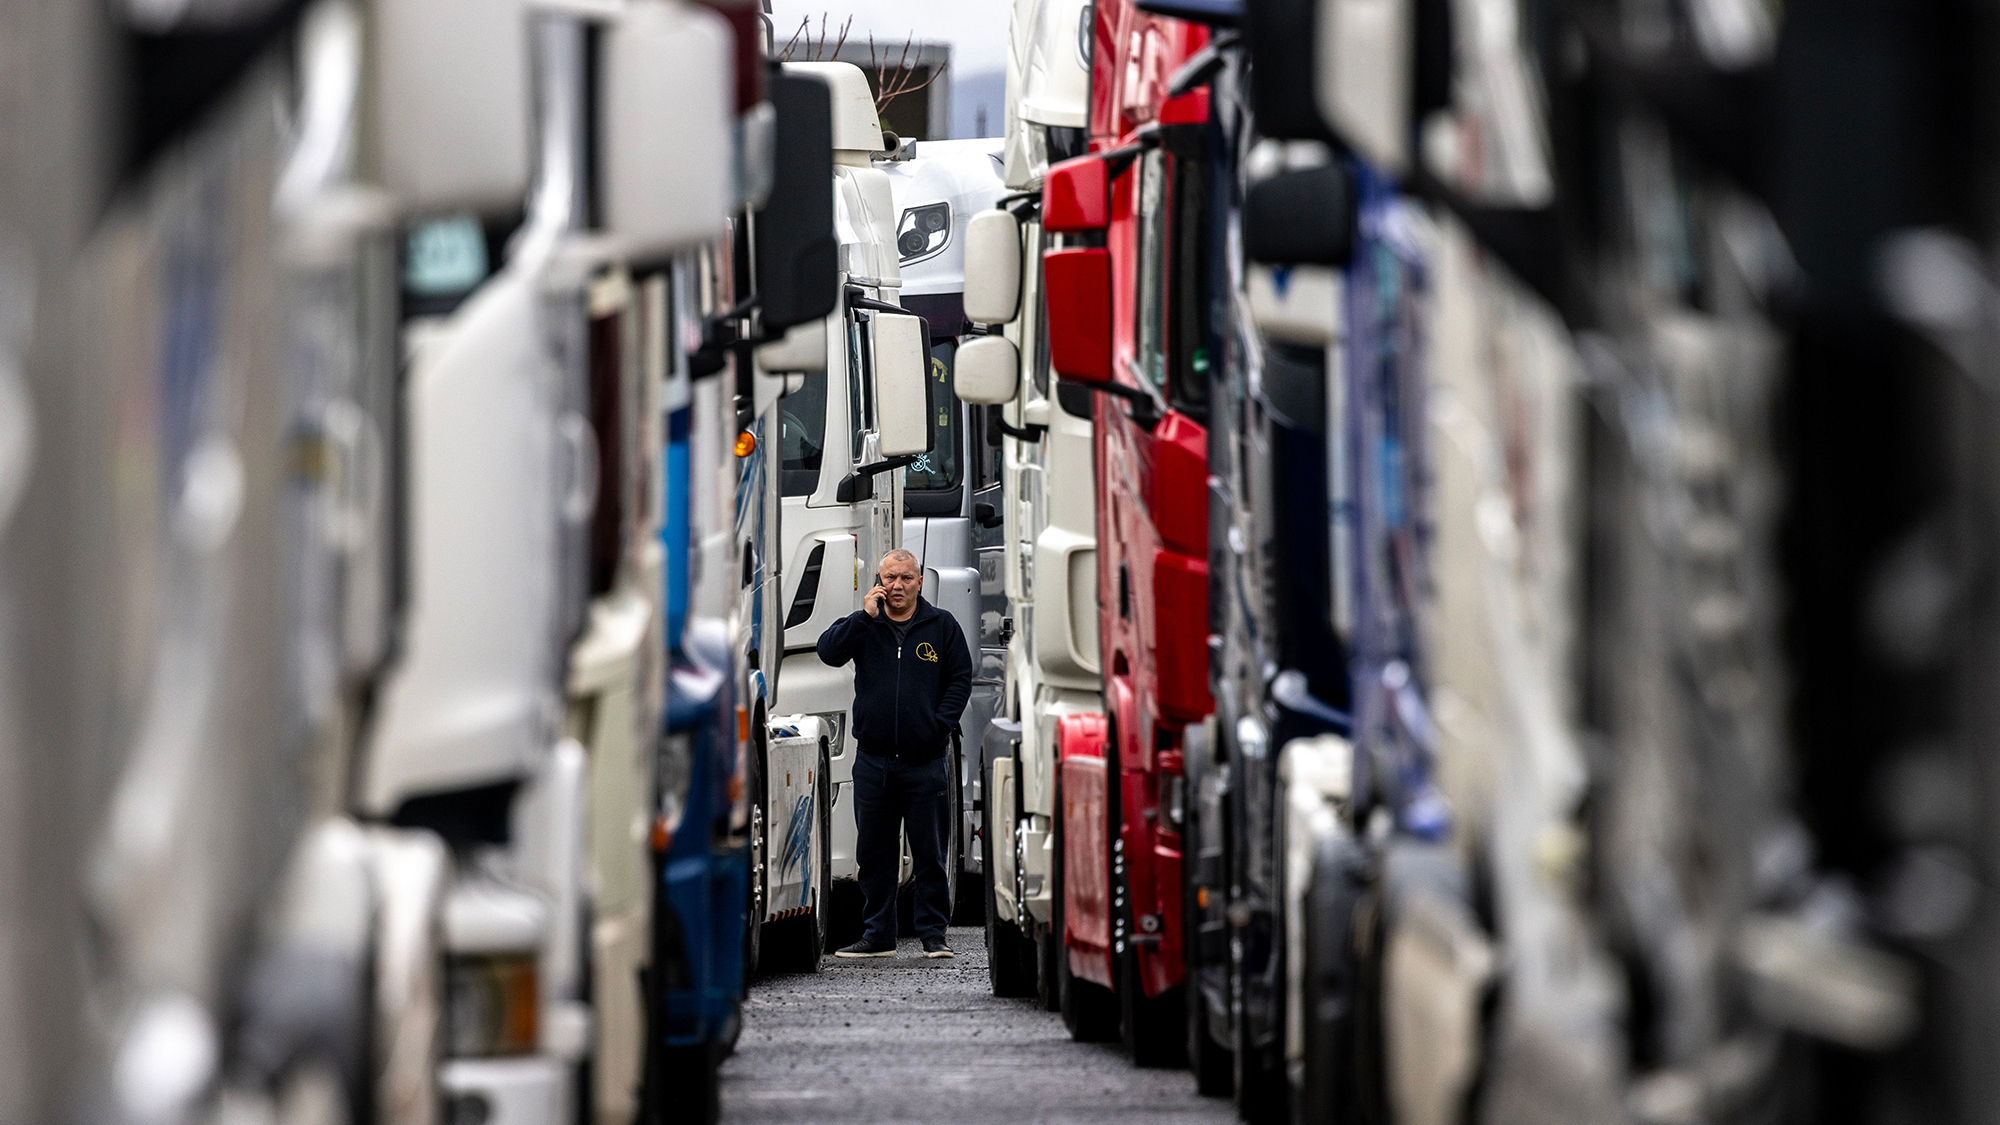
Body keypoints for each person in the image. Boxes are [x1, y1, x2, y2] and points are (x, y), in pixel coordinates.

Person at [816, 548, 974, 958]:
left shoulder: (942, 626)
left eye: (906, 578)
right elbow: (828, 652)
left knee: (929, 854)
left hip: (925, 763)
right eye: (890, 578)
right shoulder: (865, 626)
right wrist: (862, 617)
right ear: (878, 583)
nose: (897, 586)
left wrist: (938, 726)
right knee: (873, 854)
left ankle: (933, 935)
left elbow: (960, 678)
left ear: (920, 582)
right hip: (873, 761)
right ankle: (878, 936)